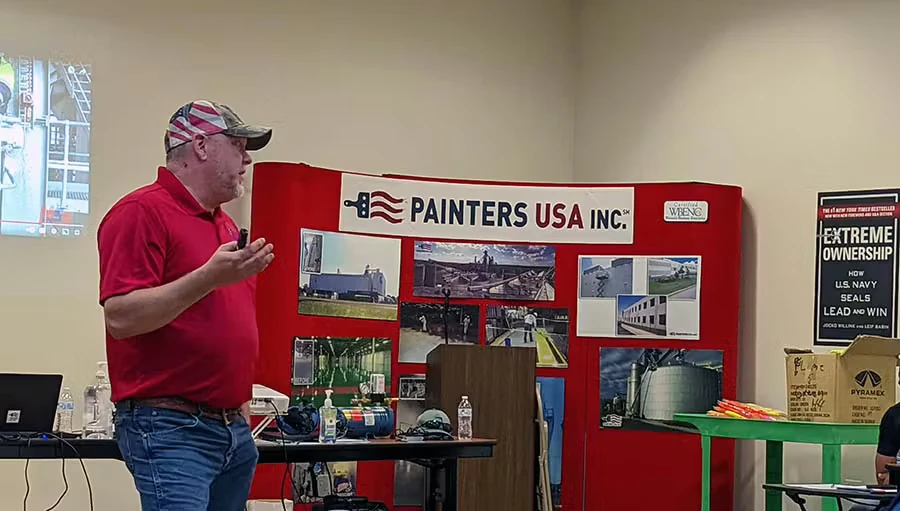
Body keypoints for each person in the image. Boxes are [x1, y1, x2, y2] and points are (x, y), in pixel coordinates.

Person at [97, 100, 275, 511]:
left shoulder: (225, 225)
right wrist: (209, 276)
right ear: (200, 146)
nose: (247, 158)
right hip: (170, 427)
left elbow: (231, 330)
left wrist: (241, 415)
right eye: (237, 144)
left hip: (231, 429)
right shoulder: (140, 212)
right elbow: (121, 317)